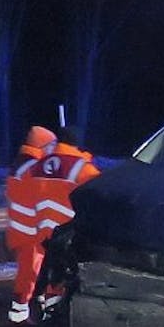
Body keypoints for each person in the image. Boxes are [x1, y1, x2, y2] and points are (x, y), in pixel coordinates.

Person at [28, 129, 101, 314]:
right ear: (76, 144)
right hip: (66, 228)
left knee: (42, 270)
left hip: (40, 226)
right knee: (65, 272)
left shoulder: (39, 165)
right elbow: (98, 194)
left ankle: (37, 302)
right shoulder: (82, 167)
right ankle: (55, 313)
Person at [5, 126, 58, 323]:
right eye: (51, 145)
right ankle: (20, 316)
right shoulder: (34, 167)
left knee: (32, 274)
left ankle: (25, 311)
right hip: (32, 231)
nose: (53, 149)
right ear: (42, 145)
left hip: (22, 229)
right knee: (31, 275)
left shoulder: (21, 164)